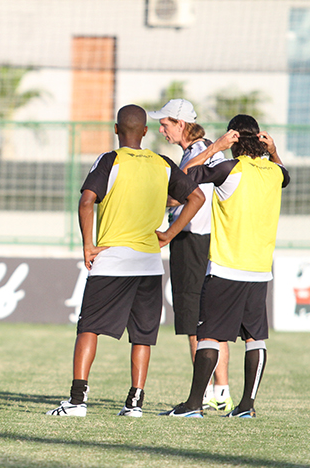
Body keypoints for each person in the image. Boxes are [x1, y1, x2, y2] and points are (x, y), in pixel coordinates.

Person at [46, 104, 204, 417]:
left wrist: (87, 245)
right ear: (145, 132)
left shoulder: (110, 160)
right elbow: (196, 197)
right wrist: (170, 234)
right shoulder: (162, 163)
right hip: (148, 262)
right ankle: (135, 404)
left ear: (116, 130)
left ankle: (77, 401)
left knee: (88, 329)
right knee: (142, 335)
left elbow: (87, 201)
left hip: (112, 260)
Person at [162, 115, 289, 418]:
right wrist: (272, 151)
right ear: (260, 139)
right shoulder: (273, 171)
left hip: (226, 267)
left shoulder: (230, 168)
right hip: (260, 270)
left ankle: (193, 406)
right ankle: (247, 406)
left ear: (233, 139)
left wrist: (214, 147)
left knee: (208, 336)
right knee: (255, 338)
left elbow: (185, 178)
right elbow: (285, 176)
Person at [149, 99, 234, 412]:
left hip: (192, 242)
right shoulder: (203, 150)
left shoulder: (201, 152)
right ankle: (221, 391)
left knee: (195, 324)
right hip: (207, 242)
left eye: (165, 123)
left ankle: (204, 394)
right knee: (210, 323)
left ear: (180, 124)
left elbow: (185, 184)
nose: (161, 129)